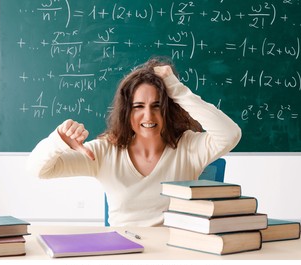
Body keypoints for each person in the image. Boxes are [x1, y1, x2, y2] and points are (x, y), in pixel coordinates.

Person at [26, 58, 241, 226]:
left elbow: (230, 134)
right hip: (123, 254)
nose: (148, 116)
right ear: (127, 112)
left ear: (169, 108)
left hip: (174, 256)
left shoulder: (188, 147)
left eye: (157, 106)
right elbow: (40, 170)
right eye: (138, 106)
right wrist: (58, 141)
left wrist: (176, 89)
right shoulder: (104, 151)